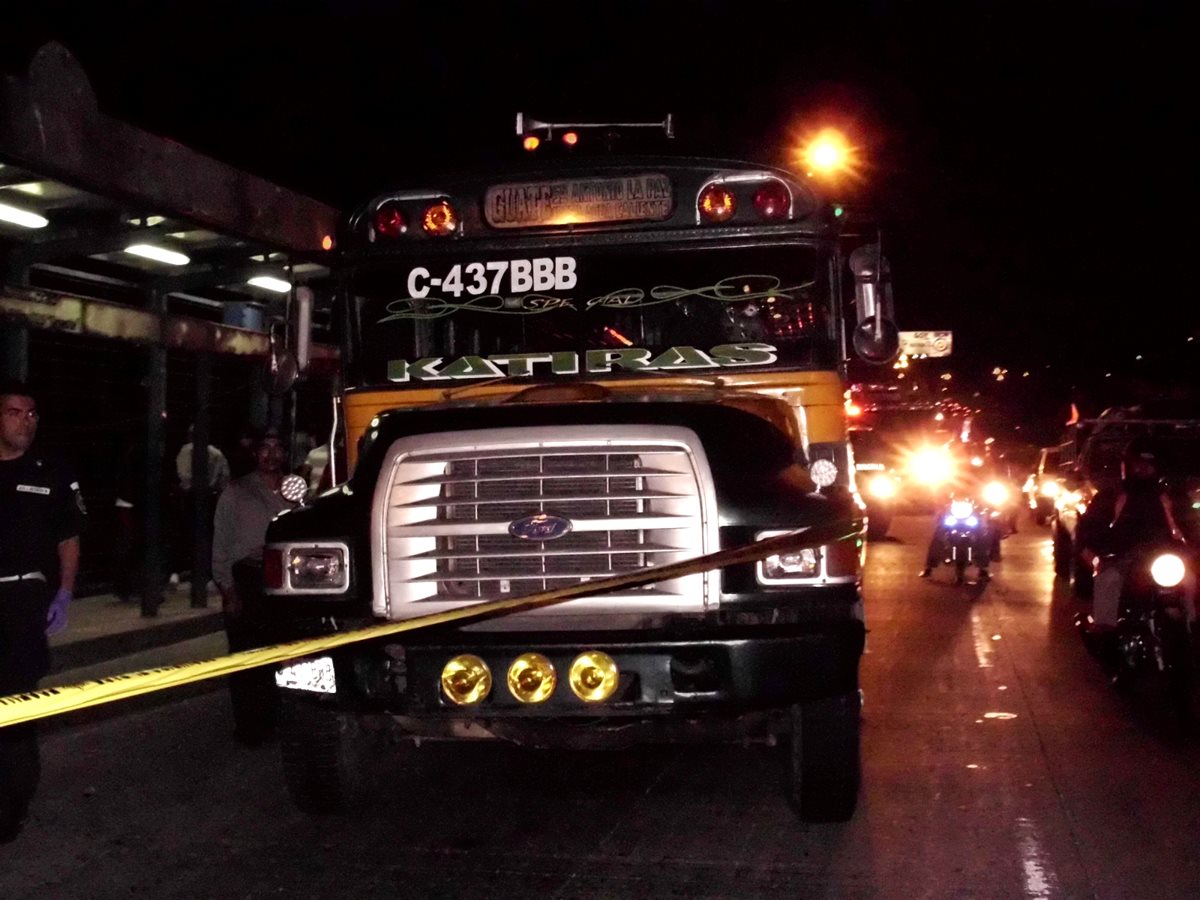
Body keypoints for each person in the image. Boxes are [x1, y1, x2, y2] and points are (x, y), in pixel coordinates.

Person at [0, 380, 84, 843]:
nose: (26, 421)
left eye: (32, 414)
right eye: (16, 412)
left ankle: (10, 806)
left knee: (14, 702)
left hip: (21, 600)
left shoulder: (49, 472)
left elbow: (68, 537)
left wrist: (65, 592)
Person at [211, 428, 295, 744]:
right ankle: (250, 727)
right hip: (248, 579)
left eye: (277, 447)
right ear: (255, 453)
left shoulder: (295, 491)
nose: (271, 454)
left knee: (286, 656)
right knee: (247, 659)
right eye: (265, 448)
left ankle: (281, 723)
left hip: (287, 582)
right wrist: (228, 590)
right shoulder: (236, 492)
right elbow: (220, 546)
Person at [1080, 438, 1192, 632]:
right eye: (1138, 465)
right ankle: (1105, 631)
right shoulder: (1112, 495)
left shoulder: (1171, 496)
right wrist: (1095, 552)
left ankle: (1189, 627)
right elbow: (1089, 528)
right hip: (1121, 556)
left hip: (1162, 559)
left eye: (1148, 466)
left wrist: (1191, 547)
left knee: (1190, 581)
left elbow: (1189, 524)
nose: (1143, 470)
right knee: (1109, 578)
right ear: (1126, 466)